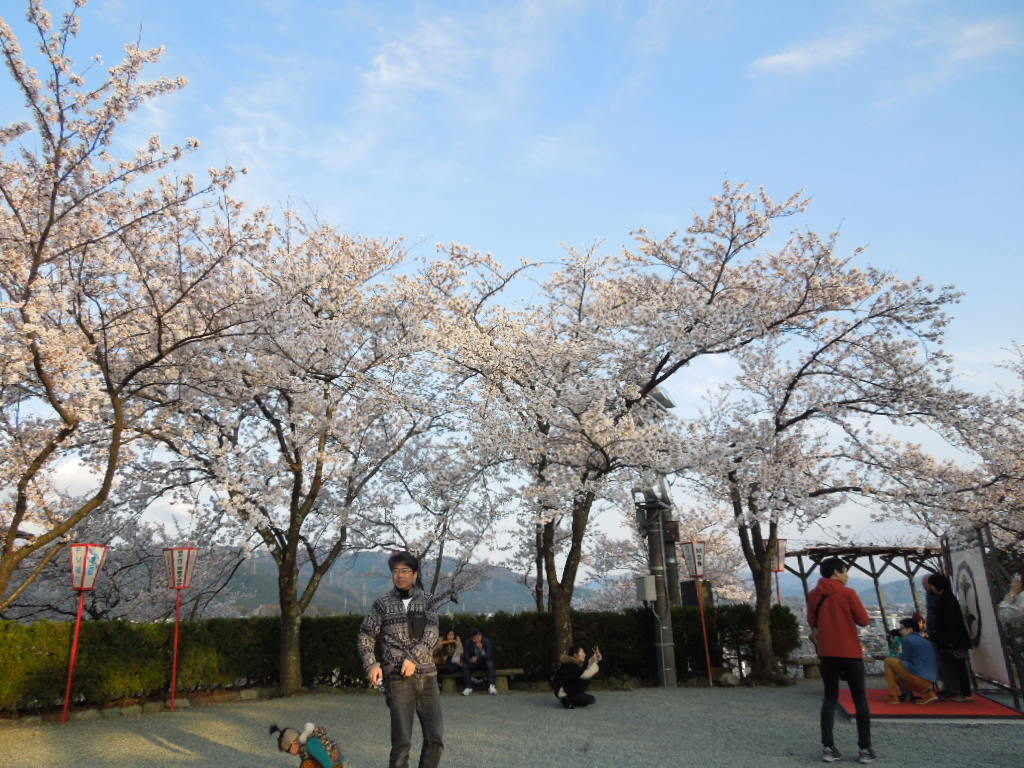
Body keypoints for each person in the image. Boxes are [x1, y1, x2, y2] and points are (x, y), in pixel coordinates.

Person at [357, 551, 444, 768]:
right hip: (397, 679)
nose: (400, 575)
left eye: (405, 571)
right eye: (395, 571)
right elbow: (365, 634)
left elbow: (432, 635)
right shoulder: (382, 604)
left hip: (428, 679)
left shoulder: (428, 601)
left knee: (435, 738)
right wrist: (371, 663)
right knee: (401, 744)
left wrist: (413, 658)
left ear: (414, 574)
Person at [807, 557, 875, 765]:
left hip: (827, 653)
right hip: (850, 652)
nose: (847, 575)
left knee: (829, 698)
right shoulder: (848, 593)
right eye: (845, 571)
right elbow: (863, 620)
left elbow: (812, 621)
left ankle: (828, 748)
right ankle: (864, 749)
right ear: (836, 572)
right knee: (860, 700)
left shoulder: (813, 595)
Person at [924, 572, 973, 702]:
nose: (930, 588)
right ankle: (962, 693)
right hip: (953, 639)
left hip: (953, 640)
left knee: (958, 668)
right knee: (956, 667)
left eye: (931, 585)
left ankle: (964, 694)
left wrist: (945, 639)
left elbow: (949, 622)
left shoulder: (946, 600)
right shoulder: (947, 598)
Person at [883, 618, 939, 705]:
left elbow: (904, 659)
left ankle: (894, 696)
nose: (900, 631)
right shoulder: (926, 641)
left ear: (910, 629)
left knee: (888, 661)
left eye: (902, 628)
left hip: (919, 678)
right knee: (898, 677)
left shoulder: (907, 640)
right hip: (931, 681)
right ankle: (928, 693)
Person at [269, 722, 345, 768]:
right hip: (335, 764)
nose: (289, 754)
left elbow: (327, 761)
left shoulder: (311, 744)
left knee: (306, 764)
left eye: (288, 751)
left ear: (294, 743)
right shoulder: (308, 745)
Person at [461, 627, 497, 695]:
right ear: (472, 638)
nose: (477, 640)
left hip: (484, 663)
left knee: (490, 663)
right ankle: (468, 687)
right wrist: (470, 660)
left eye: (478, 637)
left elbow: (489, 656)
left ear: (481, 636)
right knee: (465, 665)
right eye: (474, 639)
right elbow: (466, 656)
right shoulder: (468, 642)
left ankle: (491, 686)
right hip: (474, 664)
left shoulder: (487, 641)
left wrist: (481, 651)